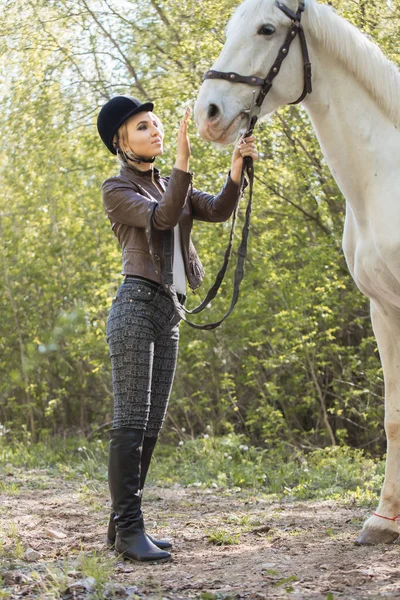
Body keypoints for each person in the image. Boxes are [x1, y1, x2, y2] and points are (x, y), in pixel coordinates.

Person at [97, 95, 258, 563]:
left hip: (169, 313)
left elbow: (220, 209)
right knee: (129, 422)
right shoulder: (117, 188)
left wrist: (236, 168)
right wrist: (186, 161)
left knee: (150, 427)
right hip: (135, 308)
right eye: (143, 127)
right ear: (120, 142)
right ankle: (130, 530)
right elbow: (163, 218)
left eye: (156, 124)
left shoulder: (170, 183)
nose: (156, 131)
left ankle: (119, 526)